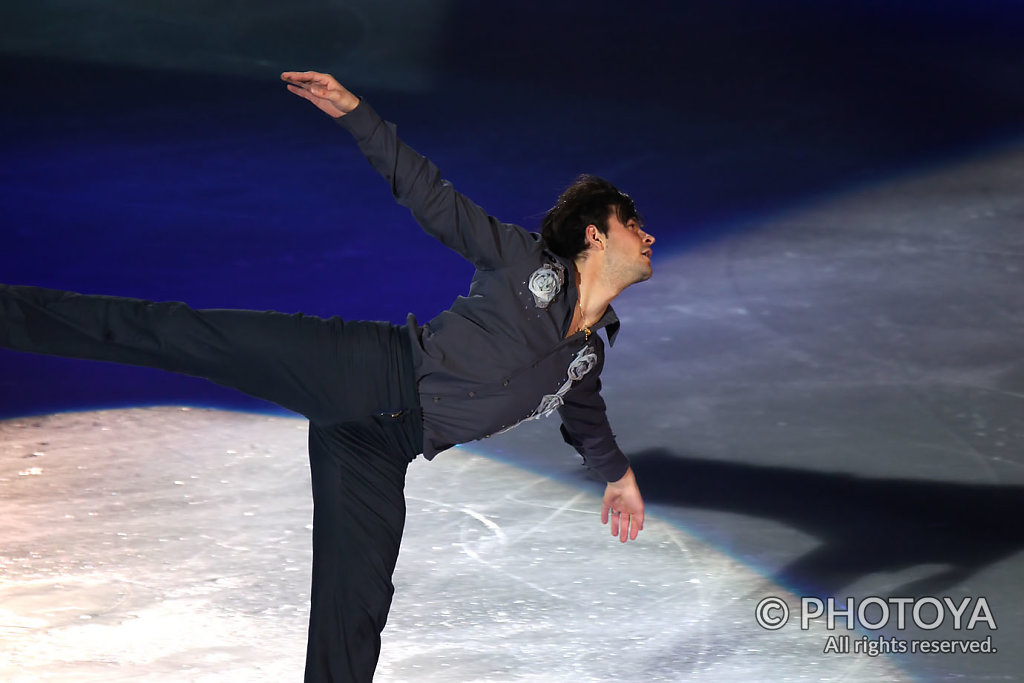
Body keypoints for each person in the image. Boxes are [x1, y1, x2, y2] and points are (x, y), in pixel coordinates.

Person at [0, 70, 654, 682]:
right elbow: (434, 198)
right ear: (595, 236)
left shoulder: (584, 358)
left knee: (357, 607)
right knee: (177, 332)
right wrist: (355, 113)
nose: (647, 237)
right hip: (362, 367)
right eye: (634, 225)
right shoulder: (522, 260)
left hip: (380, 450)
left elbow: (587, 421)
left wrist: (619, 478)